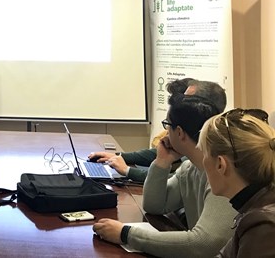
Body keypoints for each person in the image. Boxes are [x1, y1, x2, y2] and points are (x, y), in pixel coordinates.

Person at [93, 93, 237, 257]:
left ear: (180, 133)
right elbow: (155, 205)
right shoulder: (190, 168)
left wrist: (126, 234)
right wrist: (162, 162)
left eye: (167, 125)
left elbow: (202, 244)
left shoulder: (223, 175)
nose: (165, 132)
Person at [88, 78, 227, 181]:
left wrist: (128, 170)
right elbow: (157, 154)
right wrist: (120, 157)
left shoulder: (212, 153)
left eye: (187, 100)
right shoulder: (191, 145)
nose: (181, 103)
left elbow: (172, 179)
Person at [198, 108, 274, 257]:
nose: (203, 161)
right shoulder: (255, 207)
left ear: (221, 164)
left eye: (205, 153)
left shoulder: (263, 225)